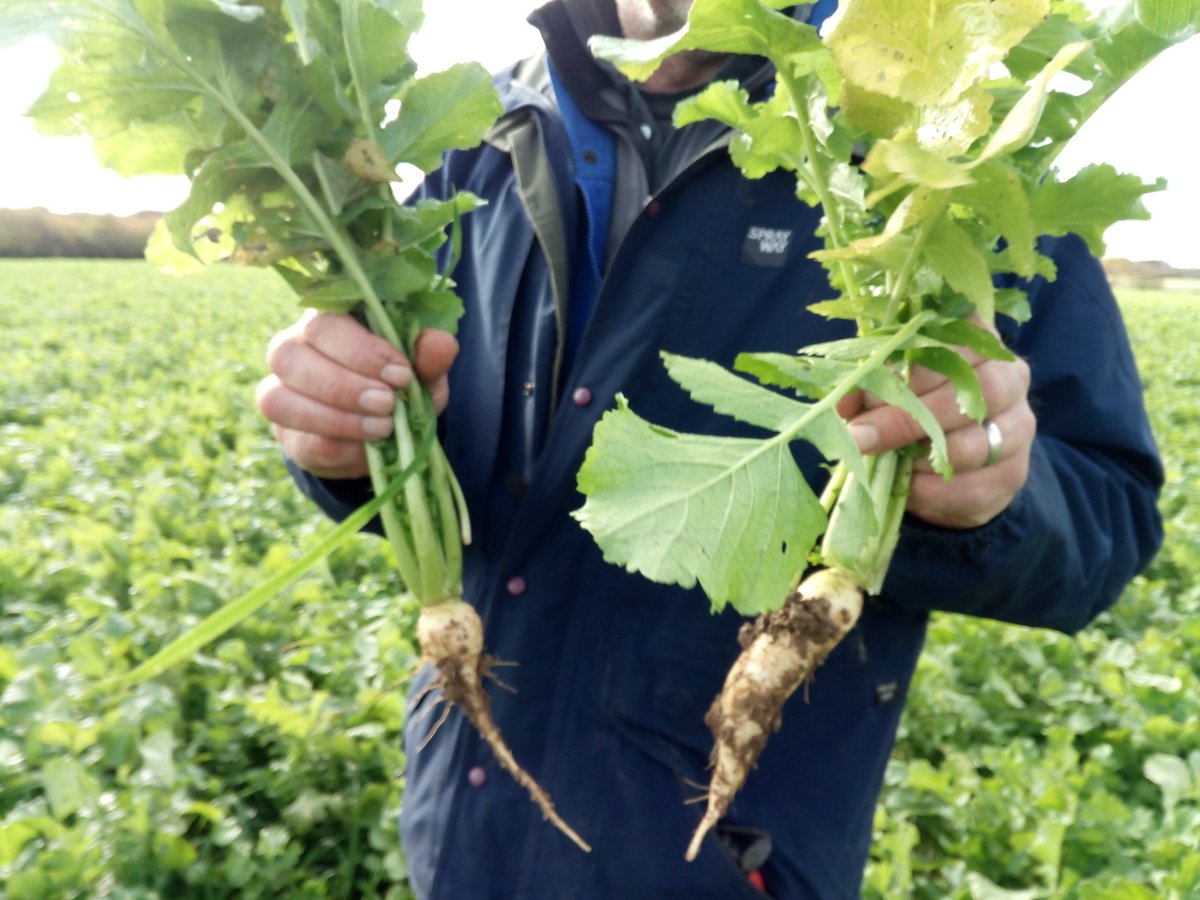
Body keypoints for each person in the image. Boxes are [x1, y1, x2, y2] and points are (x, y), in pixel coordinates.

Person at [256, 1, 1164, 896]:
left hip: (729, 865)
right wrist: (343, 445)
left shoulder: (943, 144)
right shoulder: (479, 136)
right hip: (466, 841)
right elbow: (440, 445)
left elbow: (1107, 525)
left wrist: (1000, 493)